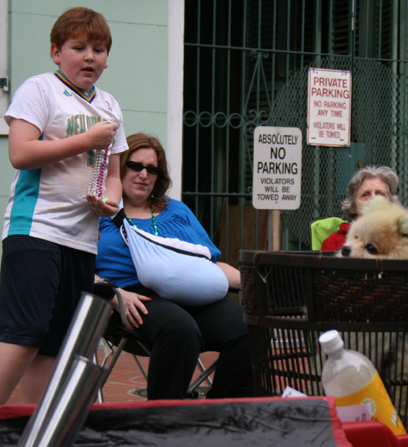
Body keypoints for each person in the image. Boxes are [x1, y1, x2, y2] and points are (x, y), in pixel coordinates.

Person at [0, 8, 125, 404]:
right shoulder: (39, 89)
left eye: (99, 49)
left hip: (81, 241)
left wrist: (112, 202)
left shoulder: (110, 107)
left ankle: (38, 440)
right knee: (24, 334)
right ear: (56, 52)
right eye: (78, 47)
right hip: (35, 230)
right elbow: (20, 153)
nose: (90, 56)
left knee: (55, 345)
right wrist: (86, 140)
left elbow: (114, 175)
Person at [95, 133, 253, 400]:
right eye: (135, 166)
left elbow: (209, 264)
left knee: (248, 325)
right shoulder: (99, 212)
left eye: (152, 169)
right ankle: (166, 416)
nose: (144, 174)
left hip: (189, 294)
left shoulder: (177, 211)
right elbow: (77, 265)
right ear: (119, 168)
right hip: (130, 297)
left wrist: (255, 285)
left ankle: (223, 411)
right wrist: (112, 293)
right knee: (179, 328)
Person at [317, 166, 400, 251]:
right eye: (365, 195)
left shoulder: (402, 241)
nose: (374, 200)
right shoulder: (333, 243)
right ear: (353, 207)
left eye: (381, 194)